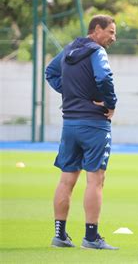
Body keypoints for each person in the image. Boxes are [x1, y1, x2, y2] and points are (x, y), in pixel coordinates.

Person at [45, 15, 119, 250]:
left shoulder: (68, 50)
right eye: (110, 32)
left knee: (66, 179)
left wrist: (70, 93)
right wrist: (110, 103)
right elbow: (104, 77)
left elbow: (51, 72)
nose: (113, 37)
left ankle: (60, 235)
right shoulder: (97, 51)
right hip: (94, 124)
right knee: (96, 180)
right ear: (96, 30)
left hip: (70, 124)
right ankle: (91, 237)